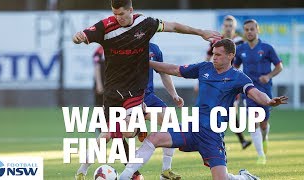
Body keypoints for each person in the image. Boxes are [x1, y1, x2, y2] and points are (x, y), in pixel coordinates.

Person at [72, 0, 221, 179]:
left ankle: (164, 169)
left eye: (121, 14)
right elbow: (84, 34)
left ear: (131, 10)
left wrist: (201, 32)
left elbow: (173, 26)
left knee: (167, 120)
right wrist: (78, 36)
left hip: (137, 92)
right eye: (114, 13)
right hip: (113, 93)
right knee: (114, 134)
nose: (117, 18)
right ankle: (83, 170)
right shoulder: (106, 26)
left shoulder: (145, 24)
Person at [119, 38, 288, 180]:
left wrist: (269, 101)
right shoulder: (204, 68)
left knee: (221, 178)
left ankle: (243, 177)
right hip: (191, 127)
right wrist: (146, 62)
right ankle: (125, 176)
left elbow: (256, 93)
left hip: (212, 136)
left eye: (218, 55)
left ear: (230, 56)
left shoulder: (238, 77)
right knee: (154, 137)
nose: (214, 58)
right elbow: (174, 69)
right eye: (213, 54)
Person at [234, 19, 283, 164]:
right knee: (253, 119)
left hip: (265, 90)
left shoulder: (267, 48)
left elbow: (279, 66)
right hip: (248, 91)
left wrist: (268, 76)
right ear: (244, 32)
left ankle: (265, 136)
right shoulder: (241, 49)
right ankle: (261, 155)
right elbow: (235, 68)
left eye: (251, 29)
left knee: (263, 123)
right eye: (246, 30)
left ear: (257, 30)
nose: (249, 32)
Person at [203, 15, 252, 149]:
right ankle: (236, 140)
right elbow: (208, 57)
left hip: (232, 82)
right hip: (216, 81)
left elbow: (243, 60)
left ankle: (218, 139)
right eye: (226, 25)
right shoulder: (217, 41)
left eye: (231, 26)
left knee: (228, 110)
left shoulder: (240, 42)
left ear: (234, 28)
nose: (228, 28)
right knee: (220, 110)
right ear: (222, 27)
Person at [145, 43, 184, 180]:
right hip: (129, 98)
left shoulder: (154, 49)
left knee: (171, 121)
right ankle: (82, 170)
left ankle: (166, 171)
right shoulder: (125, 45)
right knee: (123, 133)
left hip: (148, 96)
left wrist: (174, 94)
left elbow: (163, 72)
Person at [93, 46, 105, 138]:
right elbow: (96, 68)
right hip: (102, 83)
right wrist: (99, 84)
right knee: (99, 107)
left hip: (111, 83)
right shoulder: (99, 51)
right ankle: (100, 130)